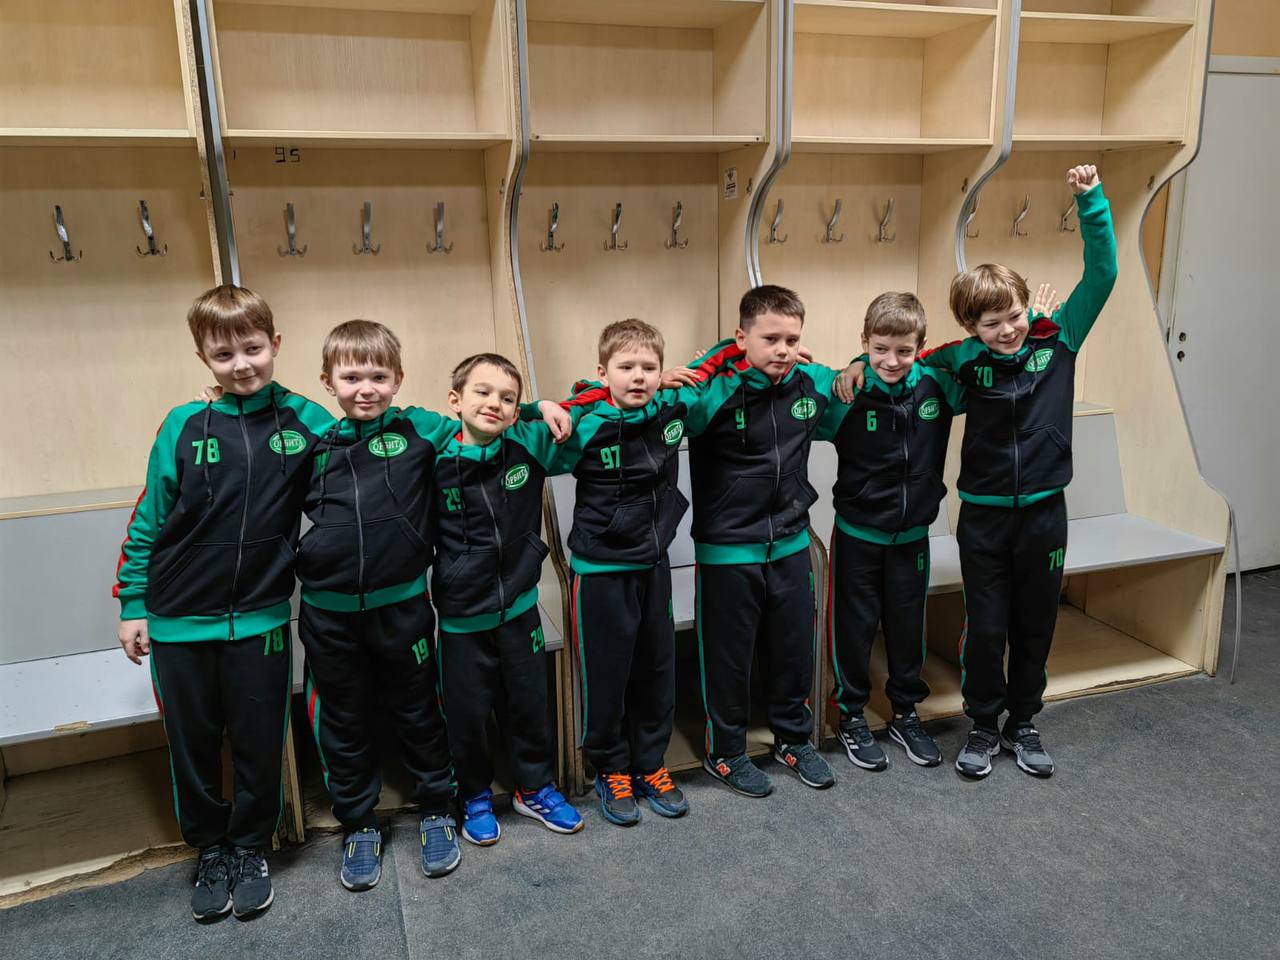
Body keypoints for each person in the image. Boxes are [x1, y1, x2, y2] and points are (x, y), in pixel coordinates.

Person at [840, 164, 1116, 779]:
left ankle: (1024, 723)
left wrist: (1090, 201)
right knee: (987, 626)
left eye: (1014, 315)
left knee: (1035, 625)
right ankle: (985, 726)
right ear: (971, 328)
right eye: (991, 324)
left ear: (1026, 307)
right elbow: (902, 357)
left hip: (1045, 515)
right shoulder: (961, 360)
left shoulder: (1059, 339)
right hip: (984, 519)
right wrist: (859, 361)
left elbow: (1103, 273)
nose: (1007, 330)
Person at [114, 284, 334, 921]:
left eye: (253, 349)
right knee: (194, 746)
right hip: (177, 620)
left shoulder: (307, 420)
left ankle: (250, 846)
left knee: (261, 742)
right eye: (223, 354)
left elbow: (377, 436)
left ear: (275, 344)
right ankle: (210, 848)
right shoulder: (184, 424)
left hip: (260, 620)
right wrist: (133, 604)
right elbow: (150, 517)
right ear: (202, 358)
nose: (242, 364)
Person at [814, 293, 965, 771]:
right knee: (853, 629)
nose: (891, 361)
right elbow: (795, 388)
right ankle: (851, 715)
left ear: (920, 346)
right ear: (864, 341)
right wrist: (855, 365)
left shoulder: (938, 387)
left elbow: (981, 357)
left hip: (912, 538)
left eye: (904, 350)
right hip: (857, 535)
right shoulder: (847, 393)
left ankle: (905, 712)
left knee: (907, 628)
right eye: (879, 349)